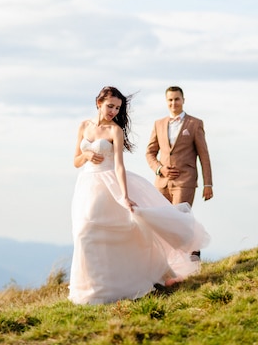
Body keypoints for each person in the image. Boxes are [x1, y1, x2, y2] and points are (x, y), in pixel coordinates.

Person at [68, 86, 210, 305]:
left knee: (120, 231)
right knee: (84, 233)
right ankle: (92, 287)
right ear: (99, 103)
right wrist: (86, 154)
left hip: (109, 184)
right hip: (87, 185)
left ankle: (138, 279)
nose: (113, 111)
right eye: (110, 106)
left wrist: (124, 195)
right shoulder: (83, 126)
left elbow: (119, 167)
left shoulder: (115, 130)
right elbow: (76, 161)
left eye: (117, 108)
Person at [146, 86, 213, 261]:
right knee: (162, 220)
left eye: (177, 99)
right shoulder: (158, 124)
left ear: (183, 100)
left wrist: (208, 184)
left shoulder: (194, 123)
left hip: (185, 181)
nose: (173, 103)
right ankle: (169, 260)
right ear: (166, 101)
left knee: (179, 218)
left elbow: (204, 156)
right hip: (162, 183)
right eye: (170, 100)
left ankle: (192, 254)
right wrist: (160, 169)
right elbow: (150, 153)